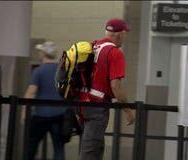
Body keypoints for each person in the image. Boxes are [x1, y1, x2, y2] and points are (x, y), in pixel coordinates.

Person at [79, 18, 135, 160]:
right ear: (119, 35)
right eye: (124, 34)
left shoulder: (93, 46)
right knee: (91, 150)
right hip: (97, 106)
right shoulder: (115, 53)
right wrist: (127, 110)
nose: (124, 37)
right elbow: (116, 85)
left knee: (94, 146)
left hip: (81, 103)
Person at [23, 41, 66, 160]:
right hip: (59, 114)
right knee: (59, 147)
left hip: (40, 115)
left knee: (31, 145)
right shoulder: (62, 70)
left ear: (43, 54)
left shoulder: (38, 71)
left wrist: (24, 112)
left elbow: (31, 91)